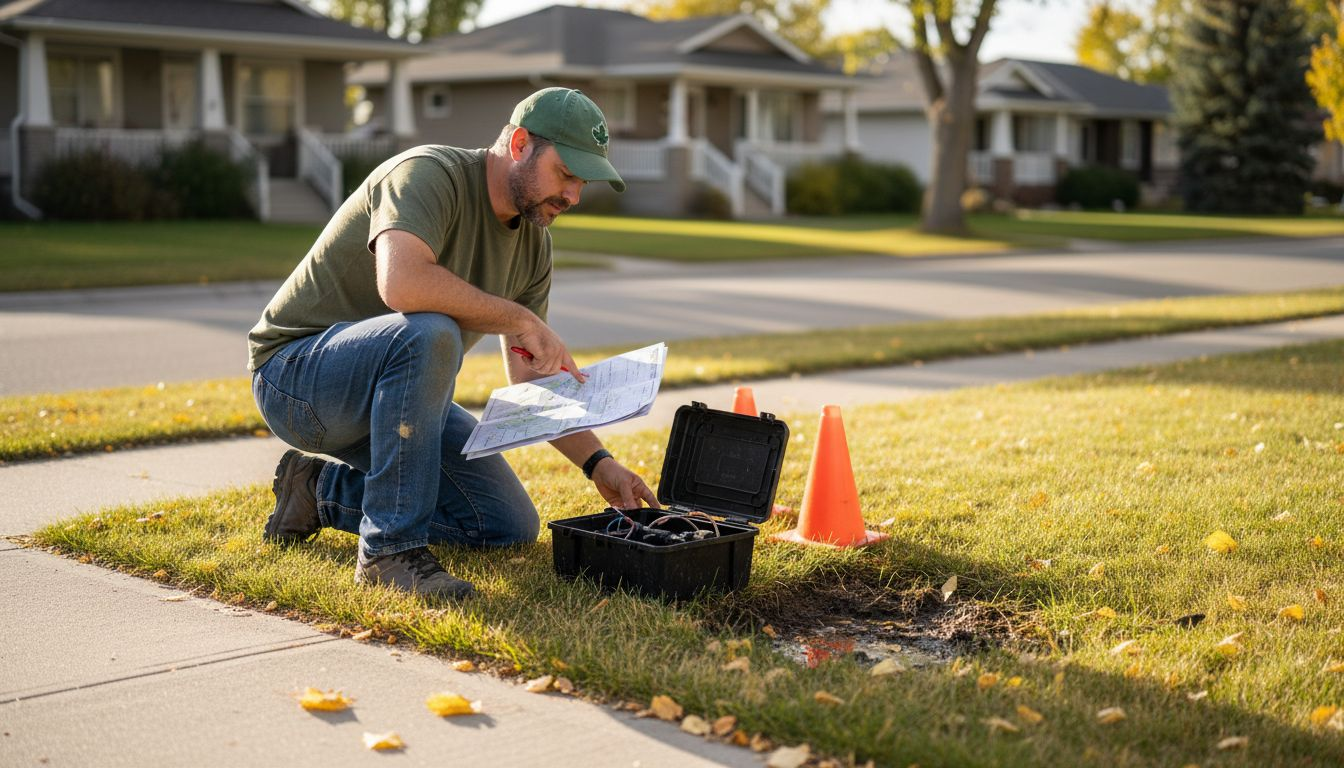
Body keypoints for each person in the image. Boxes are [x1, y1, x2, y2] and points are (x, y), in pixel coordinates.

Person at [247, 88, 659, 600]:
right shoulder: (426, 174)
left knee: (503, 524)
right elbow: (403, 286)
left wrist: (601, 463)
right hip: (297, 380)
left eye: (583, 181)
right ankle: (389, 553)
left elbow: (530, 381)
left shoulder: (533, 247)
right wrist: (517, 316)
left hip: (395, 399)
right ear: (521, 144)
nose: (573, 196)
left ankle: (315, 491)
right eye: (567, 174)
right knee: (430, 329)